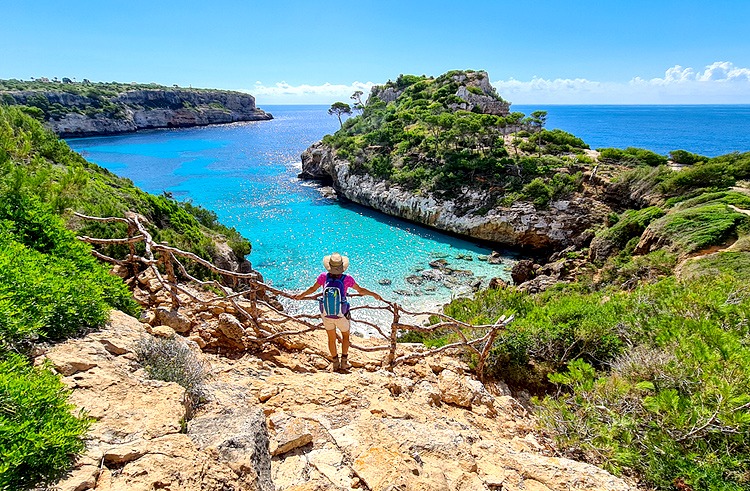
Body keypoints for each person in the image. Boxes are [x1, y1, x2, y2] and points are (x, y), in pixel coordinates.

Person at [294, 252, 383, 371]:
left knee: (331, 338)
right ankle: (344, 363)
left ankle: (335, 363)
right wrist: (374, 294)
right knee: (345, 336)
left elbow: (312, 289)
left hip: (326, 313)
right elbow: (361, 290)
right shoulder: (347, 279)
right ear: (342, 267)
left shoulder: (323, 277)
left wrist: (301, 295)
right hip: (342, 314)